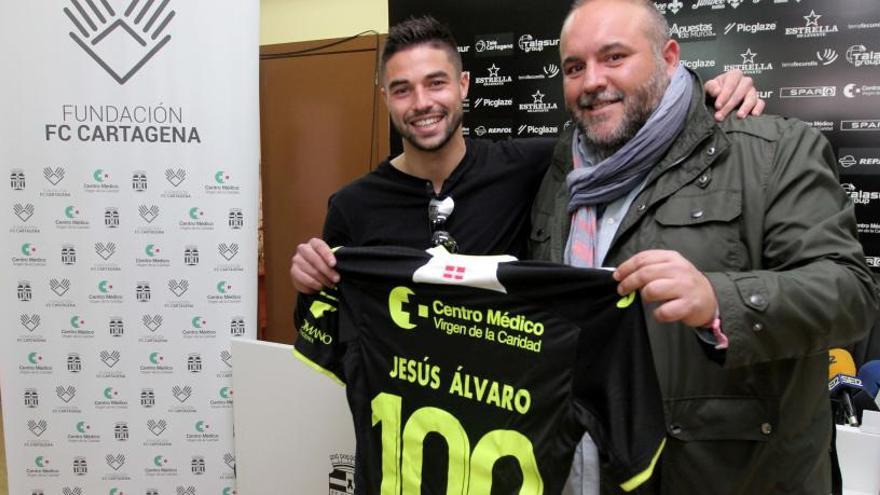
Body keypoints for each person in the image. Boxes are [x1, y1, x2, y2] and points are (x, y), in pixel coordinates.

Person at [528, 0, 879, 493]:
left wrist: (721, 300)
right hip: (581, 472)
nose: (591, 81)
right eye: (573, 67)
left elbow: (851, 292)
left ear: (670, 57)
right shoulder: (560, 173)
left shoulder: (774, 150)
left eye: (614, 57)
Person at [290, 16, 762, 293]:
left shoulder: (536, 167)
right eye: (401, 90)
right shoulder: (352, 207)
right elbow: (332, 326)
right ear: (385, 99)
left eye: (435, 83)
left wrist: (706, 93)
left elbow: (629, 129)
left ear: (462, 86)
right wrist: (310, 281)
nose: (421, 104)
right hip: (406, 434)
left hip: (515, 433)